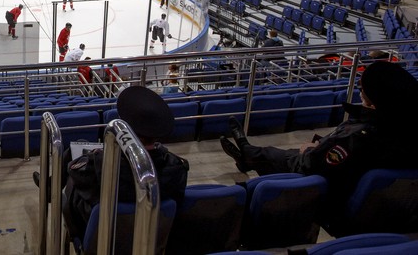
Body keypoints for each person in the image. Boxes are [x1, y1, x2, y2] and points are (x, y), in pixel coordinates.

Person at [219, 61, 418, 228]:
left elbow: (314, 165)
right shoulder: (404, 129)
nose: (359, 89)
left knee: (282, 156)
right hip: (384, 209)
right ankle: (248, 156)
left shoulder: (361, 136)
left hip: (334, 200)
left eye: (362, 87)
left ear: (374, 101)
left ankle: (248, 153)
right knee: (294, 152)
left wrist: (314, 150)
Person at [62, 86, 190, 242]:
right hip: (150, 240)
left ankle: (50, 188)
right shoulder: (177, 168)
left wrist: (94, 156)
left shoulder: (100, 164)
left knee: (73, 166)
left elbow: (74, 171)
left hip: (102, 239)